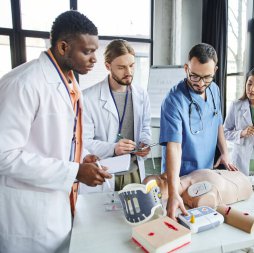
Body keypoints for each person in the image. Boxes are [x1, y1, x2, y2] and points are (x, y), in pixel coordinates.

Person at [0, 10, 113, 253]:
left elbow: (54, 140)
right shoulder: (23, 84)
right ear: (63, 47)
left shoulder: (69, 82)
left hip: (57, 205)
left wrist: (82, 160)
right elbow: (4, 156)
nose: (94, 59)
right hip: (29, 215)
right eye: (88, 51)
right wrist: (75, 171)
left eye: (95, 50)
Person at [159, 43, 238, 219]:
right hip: (180, 177)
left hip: (206, 173)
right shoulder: (173, 101)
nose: (201, 84)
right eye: (194, 76)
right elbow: (174, 147)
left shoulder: (215, 90)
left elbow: (217, 123)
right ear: (186, 68)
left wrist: (225, 152)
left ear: (215, 70)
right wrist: (173, 193)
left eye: (207, 77)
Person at [82, 39, 152, 192]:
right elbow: (83, 143)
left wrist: (145, 143)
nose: (129, 72)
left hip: (135, 171)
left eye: (132, 65)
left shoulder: (141, 94)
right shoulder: (88, 98)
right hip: (105, 173)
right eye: (121, 67)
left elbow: (145, 127)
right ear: (108, 66)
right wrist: (113, 148)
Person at [143, 170, 252, 209]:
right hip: (242, 184)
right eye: (162, 182)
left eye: (160, 176)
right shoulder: (194, 196)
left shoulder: (185, 180)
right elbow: (210, 201)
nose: (165, 176)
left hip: (237, 178)